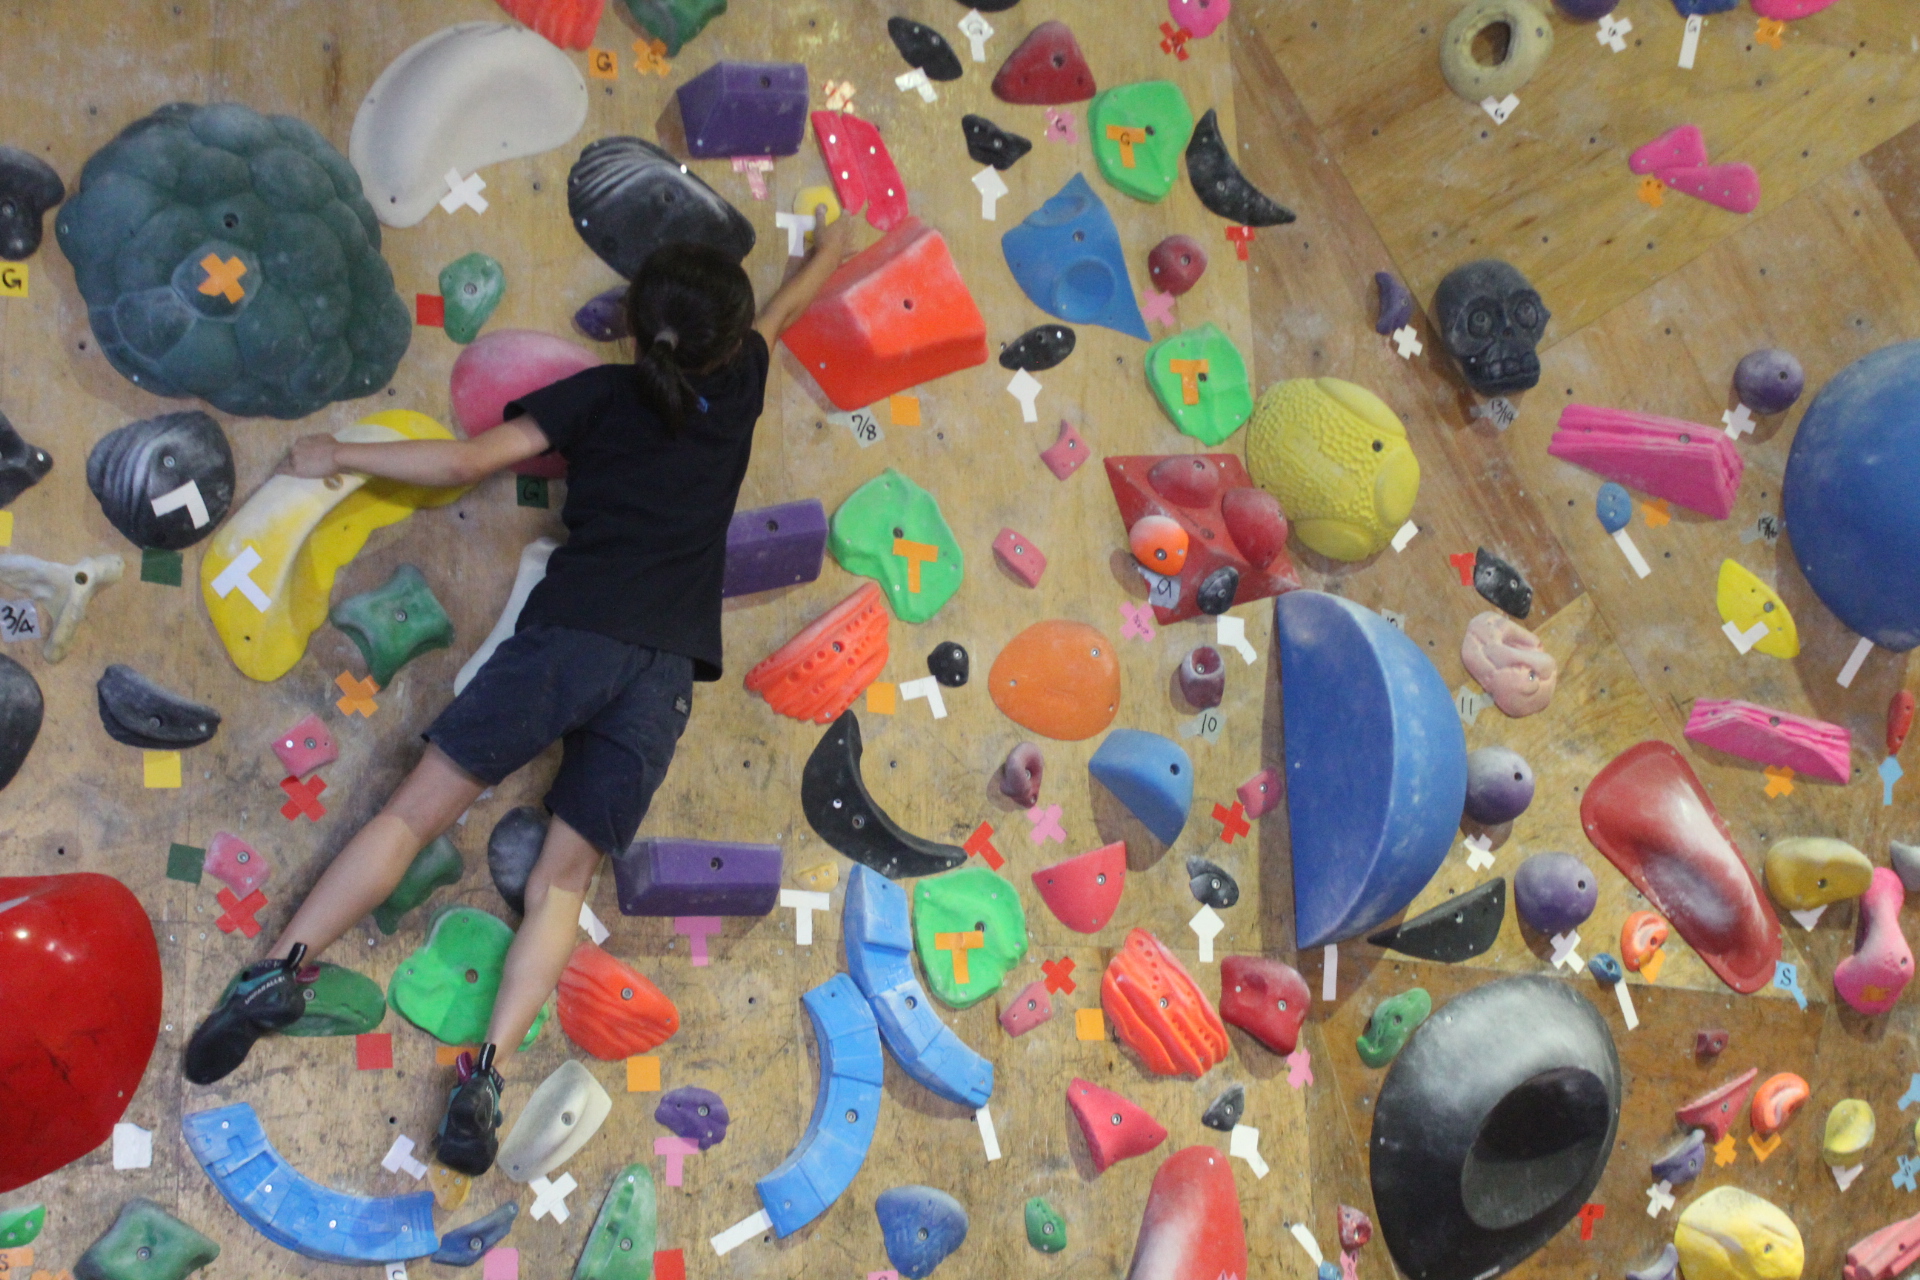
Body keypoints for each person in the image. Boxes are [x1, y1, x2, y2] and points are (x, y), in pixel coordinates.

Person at [183, 210, 857, 1178]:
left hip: (571, 639)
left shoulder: (602, 395)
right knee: (561, 884)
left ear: (634, 323)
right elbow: (780, 314)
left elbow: (464, 463)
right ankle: (486, 1073)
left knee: (414, 814)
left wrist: (339, 453)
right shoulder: (742, 378)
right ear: (726, 339)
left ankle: (276, 976)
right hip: (664, 676)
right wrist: (828, 251)